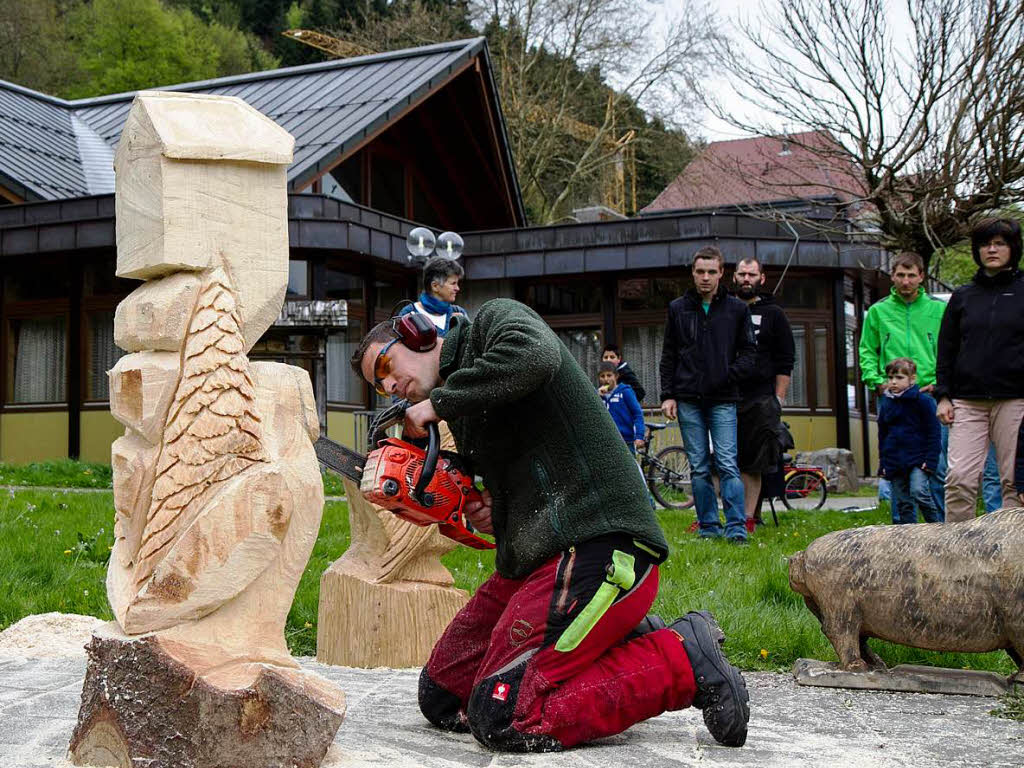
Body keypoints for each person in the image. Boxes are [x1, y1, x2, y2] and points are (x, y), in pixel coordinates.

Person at [351, 300, 750, 752]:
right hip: (538, 562)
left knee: (504, 716)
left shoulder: (495, 324)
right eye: (377, 385)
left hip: (602, 543)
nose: (388, 385)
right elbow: (529, 476)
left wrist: (437, 405)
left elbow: (534, 357)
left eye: (385, 365)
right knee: (444, 694)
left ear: (418, 333)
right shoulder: (465, 408)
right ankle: (619, 635)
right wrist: (485, 509)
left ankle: (681, 658)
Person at [660, 246, 756, 543]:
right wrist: (668, 395)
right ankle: (708, 528)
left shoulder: (737, 309)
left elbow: (749, 353)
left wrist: (726, 375)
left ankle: (737, 528)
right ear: (692, 272)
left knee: (728, 463)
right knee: (699, 467)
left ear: (721, 273)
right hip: (688, 399)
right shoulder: (678, 308)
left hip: (724, 399)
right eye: (700, 271)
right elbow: (669, 355)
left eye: (711, 272)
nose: (705, 277)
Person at [935, 218, 1024, 521]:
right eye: (985, 244)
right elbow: (946, 349)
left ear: (1013, 248)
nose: (992, 249)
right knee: (959, 478)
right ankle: (954, 556)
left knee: (1013, 481)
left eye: (1000, 243)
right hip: (967, 401)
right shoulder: (963, 296)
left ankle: (1013, 557)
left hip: (1014, 400)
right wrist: (943, 396)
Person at [858, 252, 950, 512]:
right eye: (901, 275)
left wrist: (940, 384)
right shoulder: (878, 311)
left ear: (921, 277)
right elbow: (867, 350)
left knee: (936, 464)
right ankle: (901, 531)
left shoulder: (938, 309)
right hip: (893, 397)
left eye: (912, 275)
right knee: (896, 463)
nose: (906, 281)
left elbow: (950, 350)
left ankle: (940, 529)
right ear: (893, 276)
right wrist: (877, 382)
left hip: (928, 394)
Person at [732, 256, 795, 527]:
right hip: (727, 396)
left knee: (754, 462)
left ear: (762, 279)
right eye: (742, 274)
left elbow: (785, 360)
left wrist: (778, 399)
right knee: (721, 461)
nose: (747, 279)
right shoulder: (727, 310)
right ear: (733, 277)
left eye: (752, 275)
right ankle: (725, 518)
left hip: (761, 399)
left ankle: (749, 518)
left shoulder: (774, 314)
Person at [877, 358, 943, 524]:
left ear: (912, 379)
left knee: (919, 491)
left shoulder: (923, 402)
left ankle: (936, 527)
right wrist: (883, 463)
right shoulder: (886, 403)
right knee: (903, 502)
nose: (893, 382)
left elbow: (934, 433)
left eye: (899, 378)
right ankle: (908, 537)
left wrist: (931, 460)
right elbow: (882, 435)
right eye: (890, 378)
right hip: (894, 461)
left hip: (918, 459)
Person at [398, 255, 468, 335]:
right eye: (453, 283)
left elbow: (471, 346)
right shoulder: (408, 313)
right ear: (435, 286)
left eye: (457, 283)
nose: (457, 288)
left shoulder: (459, 312)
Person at [598, 362, 645, 454]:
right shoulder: (598, 396)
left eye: (609, 375)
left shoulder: (625, 392)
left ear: (616, 376)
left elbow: (637, 414)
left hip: (626, 441)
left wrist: (639, 436)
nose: (606, 379)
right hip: (607, 441)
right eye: (602, 376)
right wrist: (597, 398)